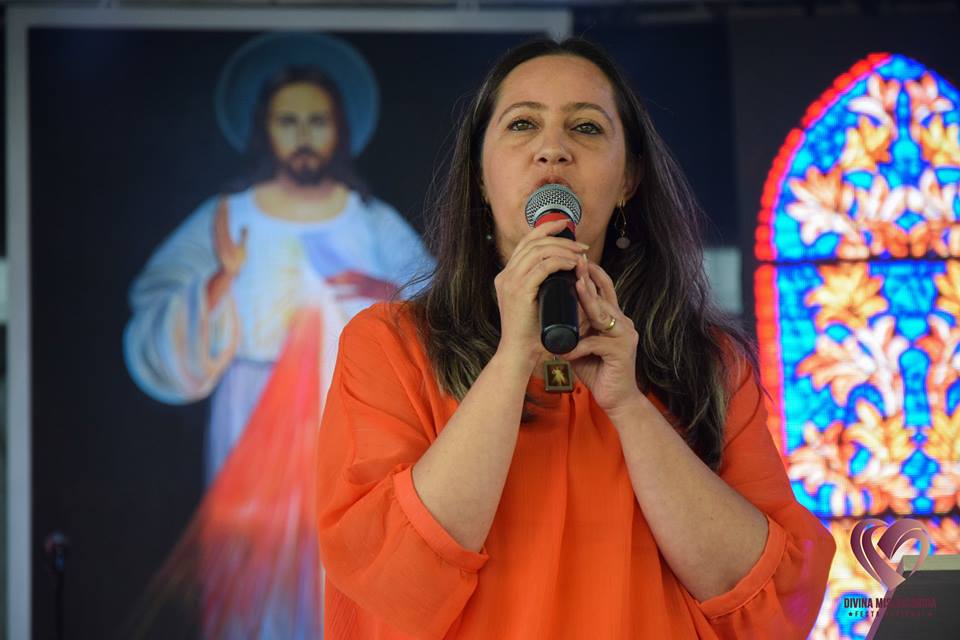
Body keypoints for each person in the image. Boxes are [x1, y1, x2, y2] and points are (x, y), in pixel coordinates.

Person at [315, 37, 836, 639]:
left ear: (628, 178)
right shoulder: (389, 345)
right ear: (480, 176)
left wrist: (629, 406)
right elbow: (393, 574)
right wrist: (513, 358)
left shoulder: (711, 364)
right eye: (522, 124)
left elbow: (768, 601)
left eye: (586, 127)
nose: (552, 149)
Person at [123, 33, 433, 638]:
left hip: (349, 417)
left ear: (339, 129)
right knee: (252, 571)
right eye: (288, 121)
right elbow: (154, 305)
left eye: (317, 121)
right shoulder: (230, 215)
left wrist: (388, 289)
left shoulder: (371, 220)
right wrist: (218, 282)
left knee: (339, 564)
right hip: (251, 419)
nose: (303, 135)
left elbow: (440, 303)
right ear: (264, 130)